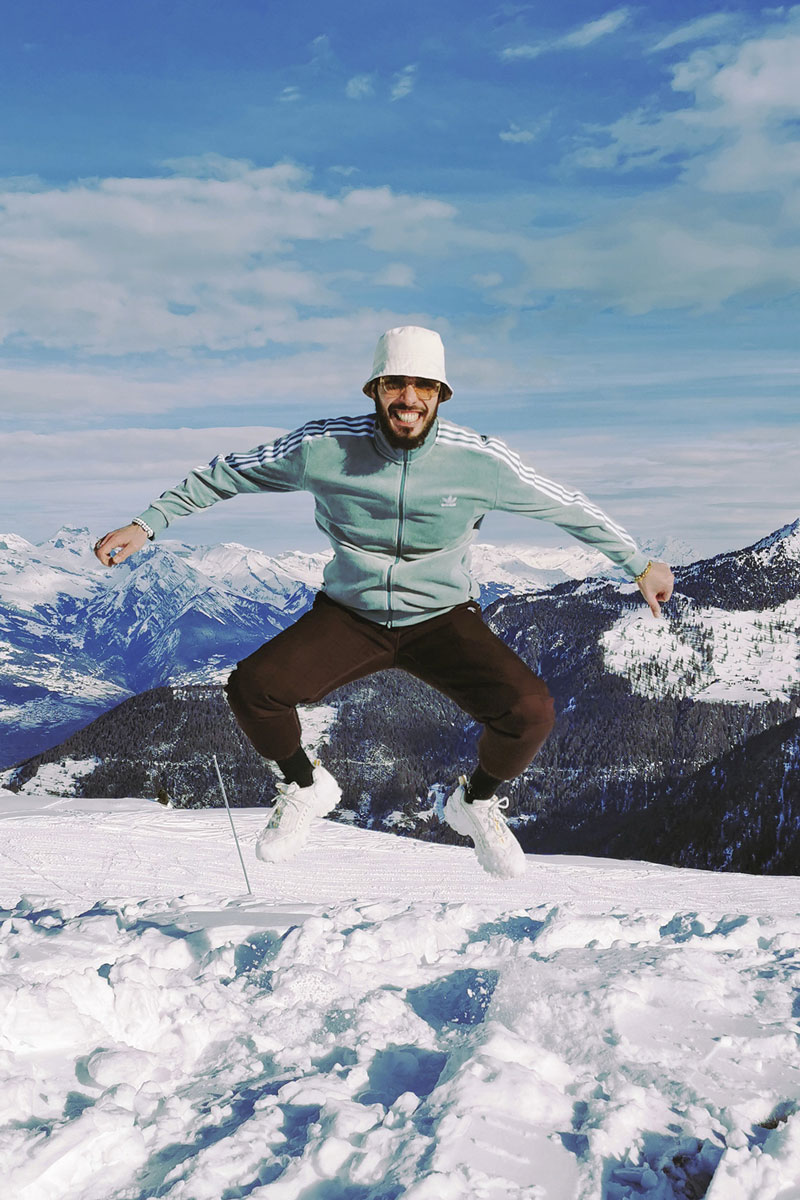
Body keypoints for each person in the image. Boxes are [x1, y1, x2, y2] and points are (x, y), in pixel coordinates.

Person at [95, 326, 674, 879]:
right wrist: (148, 524)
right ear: (374, 389)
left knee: (531, 711)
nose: (409, 399)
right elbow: (229, 474)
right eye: (395, 383)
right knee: (253, 688)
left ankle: (475, 802)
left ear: (442, 395)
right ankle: (304, 785)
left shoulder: (480, 461)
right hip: (351, 615)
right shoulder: (323, 447)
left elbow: (566, 506)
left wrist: (638, 564)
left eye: (424, 387)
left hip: (443, 617)